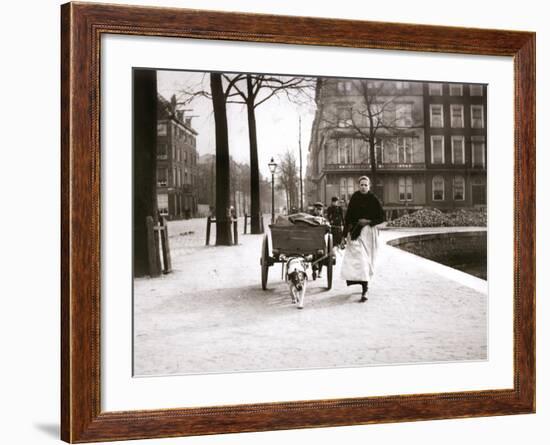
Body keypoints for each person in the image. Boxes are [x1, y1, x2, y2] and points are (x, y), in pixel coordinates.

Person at [340, 176, 385, 302]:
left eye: (366, 185)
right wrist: (344, 235)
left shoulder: (373, 199)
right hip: (355, 233)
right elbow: (348, 218)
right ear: (358, 186)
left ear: (369, 186)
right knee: (359, 260)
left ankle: (365, 287)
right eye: (361, 185)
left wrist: (368, 221)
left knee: (366, 261)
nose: (363, 187)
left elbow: (382, 217)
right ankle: (364, 288)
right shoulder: (354, 198)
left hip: (369, 234)